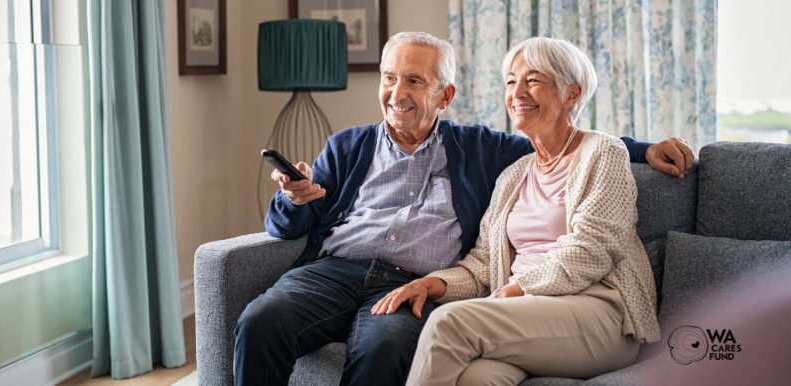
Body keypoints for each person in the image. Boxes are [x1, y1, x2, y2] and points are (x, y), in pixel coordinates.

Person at [234, 32, 691, 386]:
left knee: (388, 349)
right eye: (389, 78)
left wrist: (647, 149)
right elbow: (287, 225)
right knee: (261, 320)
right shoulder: (348, 146)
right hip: (333, 272)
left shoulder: (483, 150)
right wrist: (292, 199)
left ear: (444, 96)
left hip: (408, 284)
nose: (397, 92)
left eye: (414, 80)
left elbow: (571, 143)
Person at [371, 37, 661, 385]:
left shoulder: (603, 152)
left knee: (448, 322)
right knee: (476, 379)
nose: (517, 92)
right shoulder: (514, 174)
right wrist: (429, 284)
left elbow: (593, 250)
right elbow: (482, 266)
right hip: (524, 315)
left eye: (533, 80)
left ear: (571, 94)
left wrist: (515, 289)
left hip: (599, 314)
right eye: (511, 81)